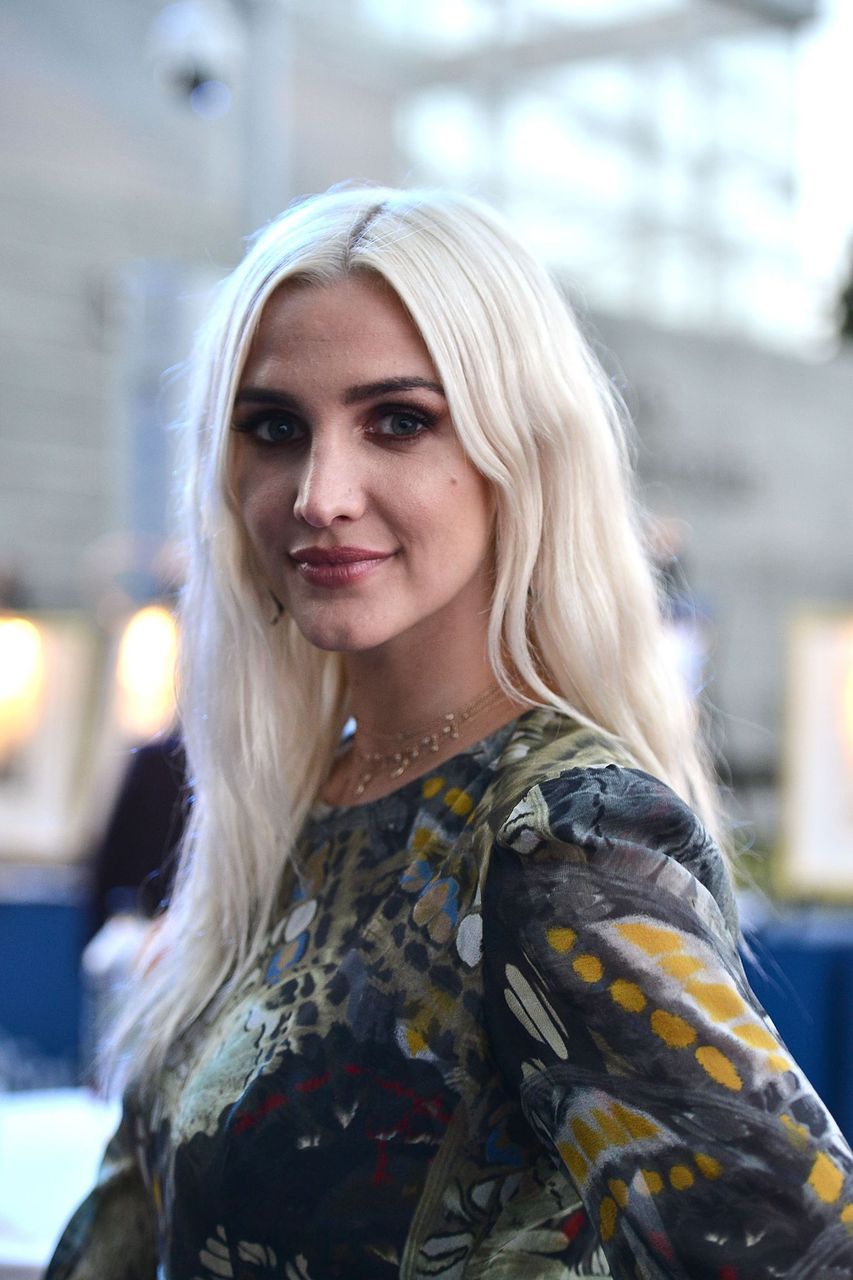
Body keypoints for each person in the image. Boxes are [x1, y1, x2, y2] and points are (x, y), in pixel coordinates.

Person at [48, 187, 853, 1280]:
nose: (321, 492)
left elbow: (804, 1252)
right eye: (275, 427)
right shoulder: (290, 798)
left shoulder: (559, 834)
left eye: (398, 420)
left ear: (515, 452)